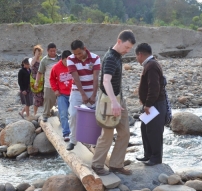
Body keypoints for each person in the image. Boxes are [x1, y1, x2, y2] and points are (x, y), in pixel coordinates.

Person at [91, 30, 136, 176]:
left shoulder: (118, 56)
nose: (127, 51)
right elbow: (105, 81)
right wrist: (113, 102)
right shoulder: (110, 58)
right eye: (126, 47)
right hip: (109, 100)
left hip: (118, 99)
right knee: (107, 135)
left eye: (130, 48)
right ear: (119, 41)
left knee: (125, 133)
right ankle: (97, 165)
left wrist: (119, 101)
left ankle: (116, 164)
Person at [135, 43, 166, 166]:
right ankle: (148, 154)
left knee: (154, 131)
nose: (136, 59)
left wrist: (148, 104)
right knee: (145, 128)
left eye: (136, 56)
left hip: (155, 104)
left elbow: (154, 87)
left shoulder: (151, 65)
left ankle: (156, 157)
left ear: (140, 54)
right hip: (153, 103)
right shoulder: (150, 64)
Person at [66, 40, 101, 151]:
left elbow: (96, 78)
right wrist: (83, 95)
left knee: (96, 116)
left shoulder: (96, 58)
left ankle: (95, 140)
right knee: (73, 115)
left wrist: (94, 94)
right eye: (75, 54)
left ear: (84, 48)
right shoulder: (70, 59)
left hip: (92, 90)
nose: (78, 56)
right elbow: (76, 78)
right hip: (77, 91)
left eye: (79, 53)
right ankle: (73, 140)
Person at [49, 50, 72, 141]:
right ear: (62, 59)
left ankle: (75, 133)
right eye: (66, 61)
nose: (68, 63)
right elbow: (52, 79)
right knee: (63, 113)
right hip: (62, 94)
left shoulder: (73, 66)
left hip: (73, 94)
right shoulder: (56, 68)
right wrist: (55, 90)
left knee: (74, 115)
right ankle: (66, 133)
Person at [35, 43, 60, 122]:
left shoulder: (60, 59)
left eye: (54, 51)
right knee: (48, 99)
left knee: (61, 100)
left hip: (60, 84)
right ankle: (46, 115)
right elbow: (40, 72)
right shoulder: (44, 60)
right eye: (51, 51)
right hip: (48, 84)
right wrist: (36, 82)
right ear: (47, 51)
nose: (53, 52)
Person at [30, 45, 44, 116]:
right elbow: (32, 64)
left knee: (44, 96)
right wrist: (36, 56)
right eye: (37, 52)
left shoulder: (42, 59)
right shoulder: (32, 59)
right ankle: (35, 113)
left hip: (42, 80)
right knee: (37, 97)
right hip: (35, 80)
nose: (39, 54)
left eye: (39, 52)